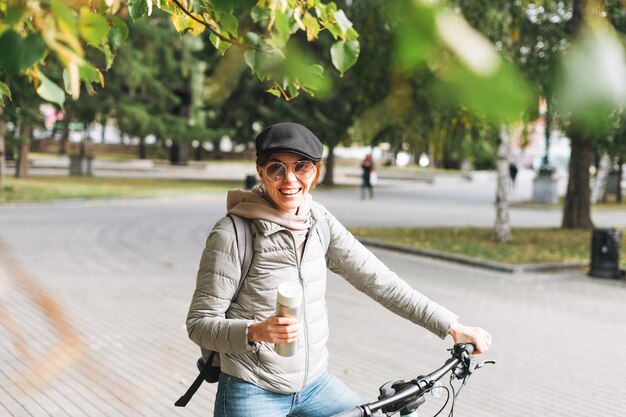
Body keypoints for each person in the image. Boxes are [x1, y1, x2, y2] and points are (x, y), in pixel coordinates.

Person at [186, 122, 492, 417]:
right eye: (276, 168)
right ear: (260, 172)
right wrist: (256, 331)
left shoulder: (319, 221)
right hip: (253, 387)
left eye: (301, 167)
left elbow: (378, 280)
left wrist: (451, 326)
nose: (289, 180)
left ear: (316, 171)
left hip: (315, 385)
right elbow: (199, 324)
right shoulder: (232, 233)